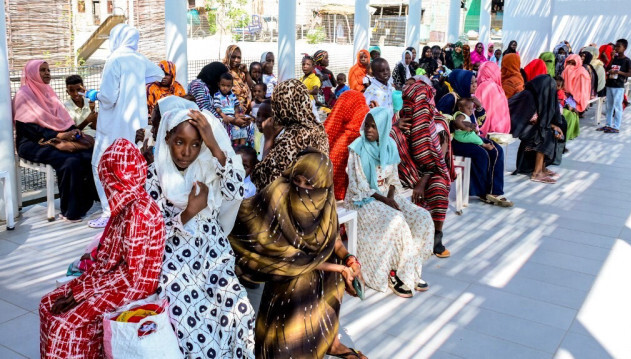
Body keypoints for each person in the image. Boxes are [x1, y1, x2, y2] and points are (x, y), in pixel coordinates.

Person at [229, 150, 367, 359]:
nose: (302, 188)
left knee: (329, 269)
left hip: (311, 267)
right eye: (298, 180)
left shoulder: (326, 203)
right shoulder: (280, 194)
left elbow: (333, 241)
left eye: (309, 184)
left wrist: (350, 260)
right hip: (283, 274)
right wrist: (339, 268)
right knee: (301, 281)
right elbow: (286, 258)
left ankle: (328, 341)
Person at [39, 139, 165, 358]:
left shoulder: (139, 214)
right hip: (110, 279)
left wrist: (82, 293)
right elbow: (106, 261)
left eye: (107, 176)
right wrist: (81, 286)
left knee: (64, 326)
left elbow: (130, 276)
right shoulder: (125, 207)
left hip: (131, 287)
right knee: (47, 303)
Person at [147, 108, 255, 357]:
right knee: (191, 325)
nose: (187, 152)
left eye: (196, 144)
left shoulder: (207, 168)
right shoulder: (154, 177)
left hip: (212, 255)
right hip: (175, 264)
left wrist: (214, 145)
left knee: (239, 311)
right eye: (179, 142)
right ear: (166, 139)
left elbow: (236, 190)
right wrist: (188, 213)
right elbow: (151, 234)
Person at [345, 107, 433, 298]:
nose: (369, 130)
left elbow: (393, 177)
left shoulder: (389, 145)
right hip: (364, 199)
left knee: (422, 217)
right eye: (367, 125)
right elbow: (358, 184)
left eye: (374, 127)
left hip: (388, 195)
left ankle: (411, 268)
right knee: (397, 220)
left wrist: (391, 197)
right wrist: (384, 200)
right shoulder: (357, 148)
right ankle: (396, 274)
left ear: (383, 129)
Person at [88, 23, 164, 228]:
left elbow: (109, 98)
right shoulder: (138, 59)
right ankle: (131, 209)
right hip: (134, 126)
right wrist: (137, 79)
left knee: (101, 165)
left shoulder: (114, 59)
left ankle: (108, 211)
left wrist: (96, 95)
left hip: (112, 125)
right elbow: (158, 74)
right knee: (132, 166)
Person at [14, 60, 97, 222]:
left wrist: (73, 130)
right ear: (32, 73)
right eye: (42, 70)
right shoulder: (23, 95)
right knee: (69, 161)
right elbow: (28, 128)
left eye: (48, 70)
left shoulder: (49, 92)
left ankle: (87, 202)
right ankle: (70, 211)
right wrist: (58, 136)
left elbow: (62, 119)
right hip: (32, 142)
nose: (47, 73)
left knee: (88, 154)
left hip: (56, 137)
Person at [391, 80, 452, 258]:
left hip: (432, 172)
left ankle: (436, 238)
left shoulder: (439, 124)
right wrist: (394, 127)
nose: (412, 107)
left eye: (417, 102)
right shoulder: (400, 119)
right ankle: (412, 234)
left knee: (439, 187)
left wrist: (422, 182)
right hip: (405, 171)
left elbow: (438, 161)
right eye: (408, 102)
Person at [437, 69, 513, 207]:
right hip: (456, 141)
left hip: (471, 137)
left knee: (497, 150)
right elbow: (440, 121)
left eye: (475, 82)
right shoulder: (451, 98)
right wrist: (459, 125)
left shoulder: (469, 98)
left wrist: (478, 107)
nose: (474, 85)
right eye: (470, 83)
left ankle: (495, 190)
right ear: (461, 82)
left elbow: (479, 123)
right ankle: (483, 191)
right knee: (482, 153)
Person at [251, 79, 330, 191]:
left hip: (296, 201)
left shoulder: (293, 137)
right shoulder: (318, 129)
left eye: (276, 104)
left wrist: (269, 139)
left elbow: (264, 178)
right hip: (317, 197)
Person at [509, 75, 565, 183]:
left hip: (528, 126)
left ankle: (542, 168)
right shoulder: (529, 96)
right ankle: (537, 173)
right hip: (520, 127)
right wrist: (551, 127)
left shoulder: (537, 95)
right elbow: (530, 118)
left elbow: (542, 118)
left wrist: (554, 126)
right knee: (545, 134)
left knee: (549, 131)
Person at [324, 90, 370, 200]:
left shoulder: (340, 141)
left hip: (334, 196)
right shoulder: (368, 133)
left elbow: (327, 131)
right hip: (360, 196)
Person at [602, 38, 631, 133]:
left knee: (617, 106)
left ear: (625, 48)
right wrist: (611, 58)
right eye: (616, 46)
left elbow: (630, 73)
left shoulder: (627, 60)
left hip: (618, 86)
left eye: (619, 46)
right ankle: (608, 125)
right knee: (609, 106)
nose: (616, 48)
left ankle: (616, 126)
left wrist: (619, 72)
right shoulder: (614, 58)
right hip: (610, 84)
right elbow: (607, 68)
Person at [475, 61, 511, 134]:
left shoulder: (483, 86)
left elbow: (482, 113)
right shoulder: (498, 87)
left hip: (488, 133)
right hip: (500, 131)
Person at [213, 72, 245, 144]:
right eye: (223, 85)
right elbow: (217, 108)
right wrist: (224, 116)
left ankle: (243, 147)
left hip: (233, 116)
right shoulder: (217, 95)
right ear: (219, 84)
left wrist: (236, 114)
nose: (225, 88)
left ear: (231, 86)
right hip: (226, 117)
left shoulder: (232, 95)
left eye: (228, 86)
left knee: (243, 125)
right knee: (235, 130)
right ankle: (236, 147)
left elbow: (236, 106)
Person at [223, 45, 253, 110]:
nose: (236, 60)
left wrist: (246, 72)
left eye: (239, 57)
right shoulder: (223, 70)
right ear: (228, 57)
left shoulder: (241, 73)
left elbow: (252, 87)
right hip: (231, 107)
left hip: (246, 106)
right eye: (233, 57)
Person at [556, 76, 580, 141]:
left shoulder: (561, 92)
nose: (556, 87)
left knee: (574, 114)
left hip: (562, 107)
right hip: (557, 109)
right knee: (569, 116)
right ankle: (564, 137)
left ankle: (571, 134)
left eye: (558, 86)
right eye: (556, 85)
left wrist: (568, 105)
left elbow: (563, 101)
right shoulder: (552, 91)